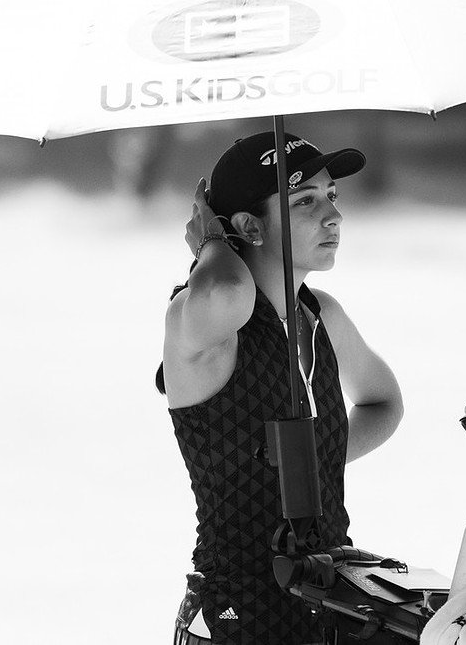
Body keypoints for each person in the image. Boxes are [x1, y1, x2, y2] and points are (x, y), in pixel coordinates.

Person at [156, 131, 404, 644]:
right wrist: (211, 243)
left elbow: (384, 403)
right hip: (236, 614)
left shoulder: (322, 314)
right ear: (250, 226)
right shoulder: (203, 319)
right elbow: (228, 288)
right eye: (305, 201)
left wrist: (309, 466)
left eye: (331, 195)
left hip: (328, 600)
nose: (333, 216)